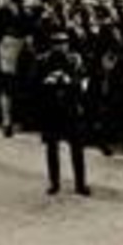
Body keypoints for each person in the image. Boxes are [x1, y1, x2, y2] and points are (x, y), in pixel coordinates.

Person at [37, 29, 91, 197]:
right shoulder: (44, 60)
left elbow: (84, 81)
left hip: (71, 107)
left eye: (64, 43)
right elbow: (34, 83)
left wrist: (70, 81)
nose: (61, 47)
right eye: (57, 44)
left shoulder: (75, 60)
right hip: (51, 109)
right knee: (52, 148)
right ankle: (54, 182)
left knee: (77, 148)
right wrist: (48, 81)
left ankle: (80, 183)